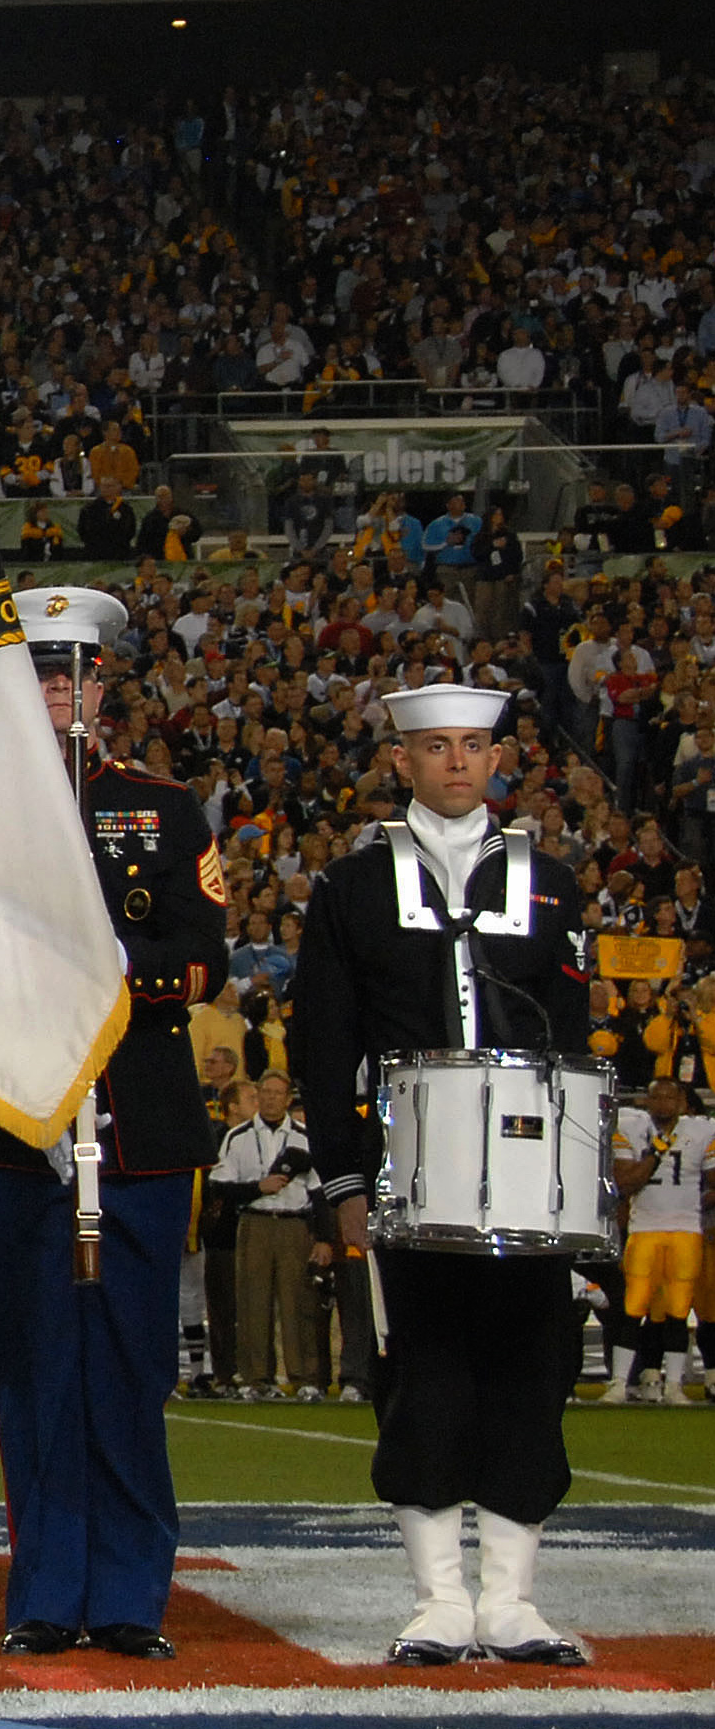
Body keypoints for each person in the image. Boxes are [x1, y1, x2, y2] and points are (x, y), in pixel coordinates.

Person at [0, 585, 221, 1659]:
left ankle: (132, 1596)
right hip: (9, 1119)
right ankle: (47, 1590)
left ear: (103, 684)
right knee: (35, 1366)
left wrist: (114, 968)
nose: (59, 692)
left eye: (75, 674)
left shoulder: (163, 807)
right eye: (41, 674)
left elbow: (202, 955)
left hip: (134, 1125)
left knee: (132, 1366)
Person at [293, 682, 595, 1666]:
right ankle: (437, 1600)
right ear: (403, 760)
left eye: (475, 745)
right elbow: (323, 1042)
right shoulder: (351, 885)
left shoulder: (550, 880)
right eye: (438, 747)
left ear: (497, 758)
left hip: (526, 1184)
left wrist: (580, 1183)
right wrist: (343, 1185)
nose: (459, 762)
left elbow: (578, 1040)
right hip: (401, 1178)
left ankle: (511, 1601)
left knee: (528, 1373)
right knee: (420, 1378)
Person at [211, 1072, 325, 1400]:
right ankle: (256, 1377)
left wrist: (322, 1237)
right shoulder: (238, 1136)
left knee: (298, 1302)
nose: (272, 1098)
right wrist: (256, 1187)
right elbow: (219, 1185)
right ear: (258, 1095)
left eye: (279, 1093)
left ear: (289, 1098)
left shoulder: (304, 1135)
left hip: (294, 1222)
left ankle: (304, 1377)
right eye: (266, 1092)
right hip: (255, 1221)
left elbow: (318, 1191)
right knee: (252, 1301)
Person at [608, 1075, 711, 1403]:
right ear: (646, 1101)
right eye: (658, 1098)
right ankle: (618, 1384)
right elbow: (626, 1183)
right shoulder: (630, 1128)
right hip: (645, 1228)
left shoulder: (702, 1130)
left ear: (682, 1103)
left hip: (687, 1227)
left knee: (678, 1310)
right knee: (632, 1306)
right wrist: (655, 1153)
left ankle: (674, 1386)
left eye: (671, 1099)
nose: (664, 1105)